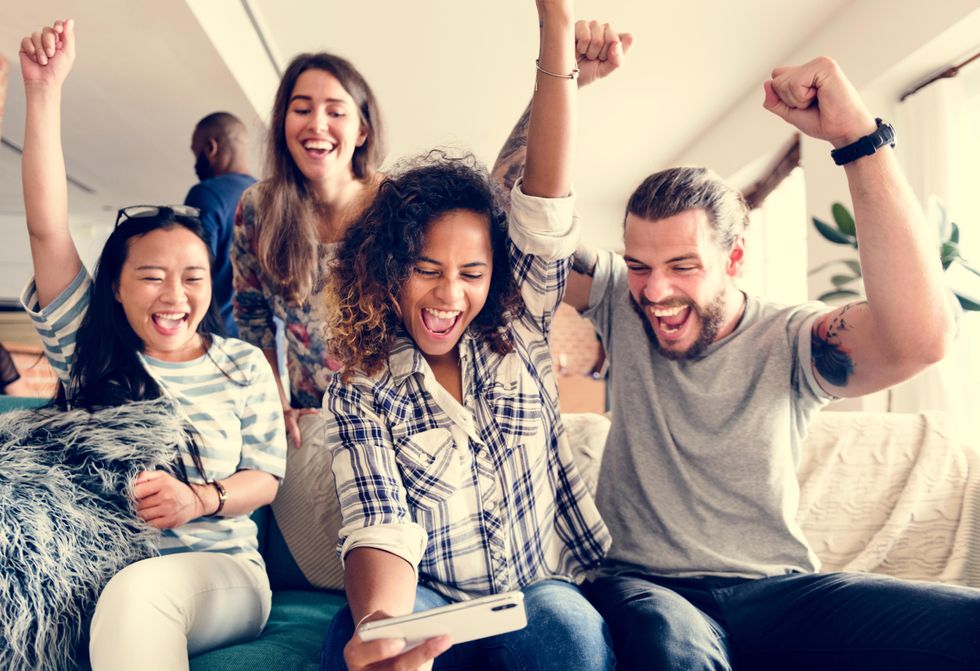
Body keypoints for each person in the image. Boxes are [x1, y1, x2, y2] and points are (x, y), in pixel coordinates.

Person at [492, 55, 980, 668]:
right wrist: (559, 79)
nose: (655, 291)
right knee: (672, 647)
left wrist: (859, 139)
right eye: (640, 265)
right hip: (648, 586)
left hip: (778, 590)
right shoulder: (619, 298)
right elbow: (506, 229)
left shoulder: (794, 339)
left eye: (684, 266)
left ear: (736, 259)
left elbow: (921, 340)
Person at [318, 2, 627, 670]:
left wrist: (555, 25)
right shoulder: (361, 390)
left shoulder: (520, 324)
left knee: (567, 635)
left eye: (471, 272)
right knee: (359, 642)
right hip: (432, 600)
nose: (448, 295)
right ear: (389, 270)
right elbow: (380, 519)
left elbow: (543, 202)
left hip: (539, 589)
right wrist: (382, 625)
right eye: (426, 269)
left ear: (498, 276)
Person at [19, 20, 287, 670]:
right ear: (114, 286)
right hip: (93, 564)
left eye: (192, 276)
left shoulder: (239, 363)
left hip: (219, 571)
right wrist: (43, 91)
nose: (174, 294)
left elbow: (267, 477)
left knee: (138, 597)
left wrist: (200, 498)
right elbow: (48, 227)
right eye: (151, 275)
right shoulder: (87, 347)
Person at [231, 48, 384, 448]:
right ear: (283, 123)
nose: (318, 124)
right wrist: (277, 406)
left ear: (362, 131)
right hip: (310, 425)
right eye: (302, 109)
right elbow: (254, 324)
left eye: (336, 112)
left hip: (393, 422)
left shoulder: (395, 205)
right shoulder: (257, 209)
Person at [185, 111, 256, 338]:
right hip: (266, 344)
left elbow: (189, 273)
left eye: (196, 153)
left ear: (210, 148)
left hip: (218, 339)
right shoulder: (274, 197)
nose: (196, 163)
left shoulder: (206, 194)